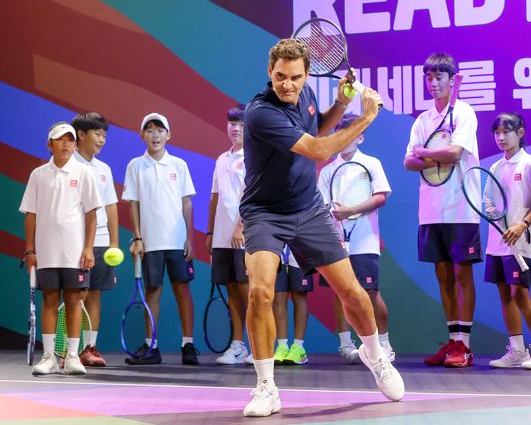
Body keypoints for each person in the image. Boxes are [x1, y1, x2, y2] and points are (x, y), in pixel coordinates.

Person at [240, 38, 403, 418]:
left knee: (353, 293)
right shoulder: (260, 113)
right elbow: (318, 150)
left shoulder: (307, 95)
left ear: (307, 75)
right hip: (264, 212)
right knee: (260, 292)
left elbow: (317, 129)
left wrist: (342, 105)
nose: (287, 84)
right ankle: (266, 387)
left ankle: (375, 357)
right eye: (280, 76)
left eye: (295, 77)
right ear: (269, 72)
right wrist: (366, 117)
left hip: (308, 209)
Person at [403, 53, 481, 368]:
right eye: (429, 78)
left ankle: (465, 345)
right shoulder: (423, 120)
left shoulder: (464, 112)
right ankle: (453, 341)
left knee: (462, 273)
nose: (433, 83)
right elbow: (408, 162)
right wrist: (432, 155)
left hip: (461, 209)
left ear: (452, 80)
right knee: (443, 275)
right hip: (431, 211)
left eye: (439, 77)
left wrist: (425, 152)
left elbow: (455, 153)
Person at [21, 122, 100, 375]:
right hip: (46, 253)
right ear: (49, 144)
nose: (65, 144)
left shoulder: (84, 173)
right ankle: (49, 357)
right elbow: (30, 214)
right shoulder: (38, 175)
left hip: (74, 253)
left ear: (75, 144)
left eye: (70, 139)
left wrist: (88, 249)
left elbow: (91, 215)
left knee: (74, 301)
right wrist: (30, 250)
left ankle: (73, 356)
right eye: (60, 139)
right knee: (50, 301)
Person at [318, 113, 393, 363]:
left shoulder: (371, 163)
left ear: (360, 138)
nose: (345, 138)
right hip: (336, 242)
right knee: (341, 293)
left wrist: (350, 211)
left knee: (370, 292)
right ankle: (346, 344)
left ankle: (383, 344)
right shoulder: (328, 170)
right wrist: (332, 225)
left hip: (365, 241)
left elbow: (381, 197)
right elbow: (322, 207)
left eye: (351, 134)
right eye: (340, 134)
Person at [123, 112, 198, 365]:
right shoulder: (135, 166)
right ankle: (151, 346)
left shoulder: (179, 165)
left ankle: (188, 345)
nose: (155, 135)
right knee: (152, 291)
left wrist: (189, 238)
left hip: (177, 241)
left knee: (182, 290)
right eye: (150, 130)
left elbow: (187, 204)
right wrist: (137, 238)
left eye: (159, 130)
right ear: (142, 135)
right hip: (150, 242)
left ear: (168, 135)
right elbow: (134, 204)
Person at [485, 112, 531, 370]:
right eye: (497, 133)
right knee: (505, 295)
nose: (501, 137)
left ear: (520, 133)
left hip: (520, 243)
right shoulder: (495, 168)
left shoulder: (530, 164)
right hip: (496, 243)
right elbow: (489, 201)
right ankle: (518, 351)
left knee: (520, 294)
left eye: (506, 132)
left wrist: (522, 224)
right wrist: (491, 210)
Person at [71, 112, 120, 367]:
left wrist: (114, 242)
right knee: (77, 295)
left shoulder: (104, 169)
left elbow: (111, 206)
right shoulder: (68, 165)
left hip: (101, 242)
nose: (102, 140)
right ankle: (69, 350)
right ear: (81, 134)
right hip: (74, 242)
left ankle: (89, 348)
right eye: (97, 134)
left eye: (104, 135)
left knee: (95, 295)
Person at [207, 104, 251, 365]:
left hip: (244, 235)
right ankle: (238, 345)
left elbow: (253, 196)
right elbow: (215, 198)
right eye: (233, 123)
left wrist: (240, 227)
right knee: (233, 289)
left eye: (242, 125)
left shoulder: (253, 157)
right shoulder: (222, 159)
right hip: (222, 237)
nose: (236, 129)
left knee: (248, 290)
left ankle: (259, 346)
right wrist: (211, 232)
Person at [272, 245, 314, 365]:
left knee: (299, 297)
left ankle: (298, 348)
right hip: (277, 253)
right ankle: (282, 347)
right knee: (278, 298)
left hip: (300, 253)